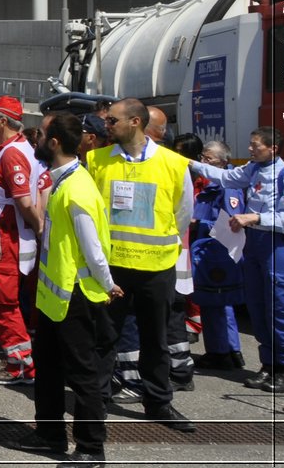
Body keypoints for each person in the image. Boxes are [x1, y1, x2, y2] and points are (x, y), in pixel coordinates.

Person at [84, 98, 196, 431]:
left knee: (155, 339)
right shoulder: (96, 160)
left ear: (135, 122)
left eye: (112, 121)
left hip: (155, 267)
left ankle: (159, 403)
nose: (106, 126)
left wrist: (167, 247)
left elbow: (183, 213)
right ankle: (98, 401)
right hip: (112, 267)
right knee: (105, 337)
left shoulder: (173, 163)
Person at [22, 112, 119, 466]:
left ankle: (92, 448)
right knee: (47, 366)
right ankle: (49, 434)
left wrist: (108, 283)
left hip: (75, 295)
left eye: (41, 135)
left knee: (82, 374)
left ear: (55, 142)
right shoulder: (64, 180)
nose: (36, 140)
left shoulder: (76, 187)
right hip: (56, 296)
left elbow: (92, 247)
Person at [182, 127, 284, 393]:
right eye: (250, 144)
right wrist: (187, 162)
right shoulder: (253, 169)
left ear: (272, 148)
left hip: (276, 246)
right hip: (254, 245)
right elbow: (225, 177)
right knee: (258, 308)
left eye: (255, 145)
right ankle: (269, 366)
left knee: (279, 309)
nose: (250, 149)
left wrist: (255, 218)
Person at [0, 95, 46, 386]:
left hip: (5, 241)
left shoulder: (13, 153)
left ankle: (21, 364)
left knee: (1, 302)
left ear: (3, 121)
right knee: (3, 300)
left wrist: (37, 225)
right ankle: (19, 358)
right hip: (6, 238)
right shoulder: (16, 150)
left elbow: (24, 200)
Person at [189, 140, 247, 371]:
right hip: (209, 251)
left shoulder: (227, 186)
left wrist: (198, 222)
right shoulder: (211, 184)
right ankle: (227, 350)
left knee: (218, 303)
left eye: (209, 159)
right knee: (218, 304)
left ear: (223, 162)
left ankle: (222, 352)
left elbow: (232, 220)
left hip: (218, 252)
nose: (204, 162)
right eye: (202, 158)